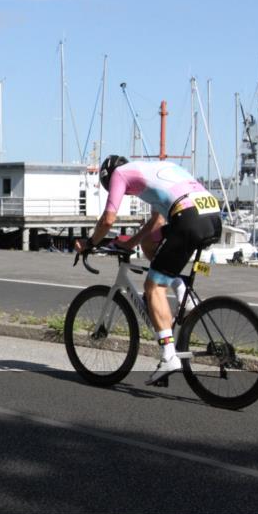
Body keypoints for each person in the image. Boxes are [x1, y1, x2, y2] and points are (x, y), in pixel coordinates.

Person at [76, 155, 222, 385]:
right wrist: (131, 243)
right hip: (212, 216)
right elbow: (156, 223)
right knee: (149, 244)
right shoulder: (153, 170)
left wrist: (90, 244)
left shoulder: (120, 174)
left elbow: (107, 220)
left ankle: (168, 356)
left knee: (153, 287)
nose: (125, 193)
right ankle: (183, 292)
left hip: (188, 218)